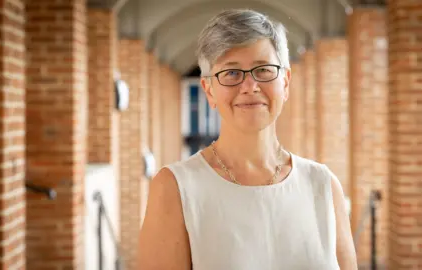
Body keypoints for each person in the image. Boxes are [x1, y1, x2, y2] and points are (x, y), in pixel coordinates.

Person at [137, 9, 357, 270]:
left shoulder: (323, 185)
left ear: (285, 83)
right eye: (231, 73)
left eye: (263, 69)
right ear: (209, 90)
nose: (250, 86)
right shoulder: (175, 188)